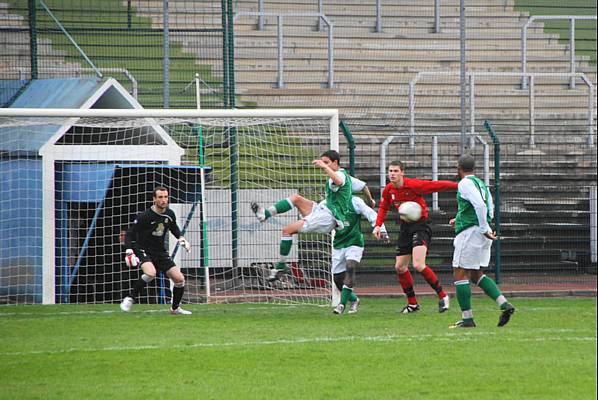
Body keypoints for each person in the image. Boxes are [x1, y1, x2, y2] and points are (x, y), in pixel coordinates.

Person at [251, 149, 362, 282]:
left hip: (328, 216)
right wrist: (371, 199)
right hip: (323, 209)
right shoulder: (345, 175)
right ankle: (265, 214)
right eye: (323, 162)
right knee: (296, 199)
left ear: (335, 162)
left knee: (287, 230)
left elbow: (338, 181)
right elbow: (362, 185)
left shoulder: (339, 175)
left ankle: (280, 267)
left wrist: (325, 167)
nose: (323, 165)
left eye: (326, 162)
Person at [373, 160, 456, 314]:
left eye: (396, 171)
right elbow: (384, 207)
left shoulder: (413, 185)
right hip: (405, 227)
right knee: (400, 267)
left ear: (402, 172)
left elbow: (436, 185)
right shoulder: (389, 190)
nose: (392, 174)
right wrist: (378, 225)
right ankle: (412, 304)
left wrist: (458, 186)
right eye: (390, 171)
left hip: (421, 226)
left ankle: (443, 296)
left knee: (418, 264)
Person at [449, 154, 515, 328]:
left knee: (460, 272)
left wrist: (483, 228)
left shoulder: (464, 183)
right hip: (480, 231)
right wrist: (461, 219)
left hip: (472, 233)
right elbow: (489, 207)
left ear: (459, 167)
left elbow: (479, 205)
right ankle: (504, 304)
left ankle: (467, 319)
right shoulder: (481, 184)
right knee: (476, 274)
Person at [120, 186, 192, 315]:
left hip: (159, 251)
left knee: (179, 279)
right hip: (143, 249)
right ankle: (130, 298)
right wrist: (129, 251)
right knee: (151, 273)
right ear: (154, 199)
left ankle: (175, 309)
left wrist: (181, 239)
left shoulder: (169, 214)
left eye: (165, 197)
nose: (163, 200)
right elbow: (130, 234)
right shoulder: (145, 216)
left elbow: (173, 227)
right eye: (160, 197)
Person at [331, 195, 388, 315]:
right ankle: (354, 300)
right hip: (339, 244)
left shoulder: (355, 201)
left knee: (350, 266)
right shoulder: (330, 202)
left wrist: (381, 230)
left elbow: (370, 213)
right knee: (338, 280)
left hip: (355, 242)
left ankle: (341, 305)